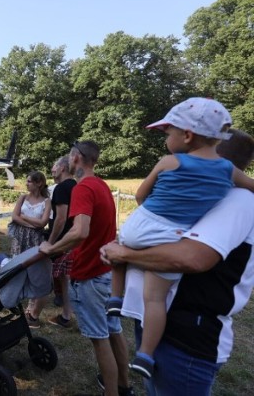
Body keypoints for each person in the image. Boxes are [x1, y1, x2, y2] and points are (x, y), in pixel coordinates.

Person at [106, 98, 254, 379]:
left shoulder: (235, 201)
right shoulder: (227, 179)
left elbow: (193, 258)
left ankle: (115, 296)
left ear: (188, 136)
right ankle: (145, 355)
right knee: (155, 299)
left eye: (168, 133)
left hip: (188, 340)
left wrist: (125, 255)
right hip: (170, 249)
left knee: (120, 248)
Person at [38, 141, 133, 396]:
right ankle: (124, 387)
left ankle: (111, 392)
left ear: (76, 157)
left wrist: (53, 247)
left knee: (100, 340)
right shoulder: (101, 185)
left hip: (90, 275)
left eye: (70, 155)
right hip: (107, 273)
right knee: (115, 331)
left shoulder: (83, 188)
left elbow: (80, 231)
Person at [7, 171, 52, 328]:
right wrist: (30, 224)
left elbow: (43, 223)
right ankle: (15, 300)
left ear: (39, 183)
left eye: (29, 181)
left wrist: (24, 218)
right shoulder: (22, 198)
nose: (26, 184)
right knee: (17, 267)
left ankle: (32, 308)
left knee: (35, 270)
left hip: (35, 240)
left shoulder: (47, 201)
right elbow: (14, 217)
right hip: (20, 237)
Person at [45, 155, 77, 328]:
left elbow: (60, 219)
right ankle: (66, 314)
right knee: (67, 279)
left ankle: (67, 315)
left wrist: (51, 242)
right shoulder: (75, 186)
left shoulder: (61, 188)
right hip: (72, 239)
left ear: (63, 168)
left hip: (64, 242)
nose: (52, 169)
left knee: (66, 278)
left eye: (55, 166)